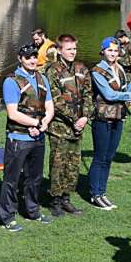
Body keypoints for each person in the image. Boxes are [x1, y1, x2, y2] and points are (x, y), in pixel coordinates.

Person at [0, 43, 55, 231]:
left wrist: (44, 123)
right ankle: (7, 216)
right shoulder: (11, 81)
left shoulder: (42, 78)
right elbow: (12, 113)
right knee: (11, 179)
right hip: (19, 138)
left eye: (34, 56)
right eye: (28, 57)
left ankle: (33, 210)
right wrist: (35, 123)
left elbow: (49, 106)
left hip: (38, 137)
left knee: (35, 178)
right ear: (20, 59)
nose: (32, 60)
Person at [43, 33, 94, 217]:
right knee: (58, 163)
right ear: (59, 50)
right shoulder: (52, 71)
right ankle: (55, 200)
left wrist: (85, 116)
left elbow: (89, 94)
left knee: (73, 164)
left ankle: (66, 198)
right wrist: (75, 119)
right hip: (60, 127)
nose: (73, 52)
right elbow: (55, 101)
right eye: (69, 49)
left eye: (74, 48)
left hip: (78, 125)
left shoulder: (81, 68)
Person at [89, 37, 131, 210]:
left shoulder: (119, 69)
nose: (112, 53)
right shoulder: (97, 71)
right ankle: (95, 194)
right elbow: (109, 95)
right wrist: (130, 95)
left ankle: (102, 192)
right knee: (100, 157)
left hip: (118, 117)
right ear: (103, 51)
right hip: (103, 118)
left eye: (115, 50)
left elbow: (127, 90)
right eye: (109, 50)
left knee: (109, 157)